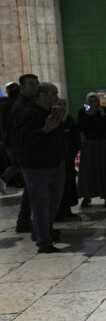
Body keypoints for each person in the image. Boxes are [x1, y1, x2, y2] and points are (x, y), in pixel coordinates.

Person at [17, 83, 65, 253]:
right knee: (40, 206)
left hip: (55, 165)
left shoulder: (52, 113)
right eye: (53, 93)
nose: (56, 97)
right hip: (36, 168)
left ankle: (42, 232)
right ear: (41, 95)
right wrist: (45, 130)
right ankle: (44, 242)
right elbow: (24, 139)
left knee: (53, 205)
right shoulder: (28, 114)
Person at [7, 74, 39, 231]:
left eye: (36, 83)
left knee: (31, 188)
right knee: (31, 188)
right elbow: (22, 133)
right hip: (27, 153)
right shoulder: (20, 107)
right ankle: (25, 221)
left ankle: (24, 220)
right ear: (22, 87)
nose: (35, 86)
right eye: (31, 84)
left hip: (31, 152)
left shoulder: (31, 103)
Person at [77, 92, 106, 208]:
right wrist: (89, 116)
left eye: (95, 101)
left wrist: (103, 115)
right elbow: (81, 127)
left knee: (105, 169)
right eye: (90, 101)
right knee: (88, 171)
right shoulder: (83, 111)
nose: (93, 104)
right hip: (90, 144)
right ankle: (87, 196)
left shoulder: (104, 110)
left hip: (103, 143)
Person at [54, 98, 81, 222]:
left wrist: (72, 153)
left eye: (64, 104)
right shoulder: (53, 120)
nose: (63, 106)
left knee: (69, 185)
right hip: (57, 160)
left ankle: (68, 210)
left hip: (69, 158)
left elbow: (76, 139)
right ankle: (59, 211)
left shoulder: (69, 120)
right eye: (60, 104)